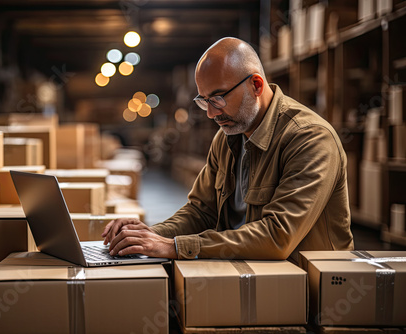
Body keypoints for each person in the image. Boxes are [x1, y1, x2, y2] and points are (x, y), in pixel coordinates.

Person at [102, 37, 354, 263]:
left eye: (218, 98)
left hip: (303, 289)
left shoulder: (309, 138)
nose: (211, 113)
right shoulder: (227, 138)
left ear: (256, 85)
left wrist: (177, 246)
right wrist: (148, 234)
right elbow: (201, 212)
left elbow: (278, 237)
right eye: (204, 101)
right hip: (243, 273)